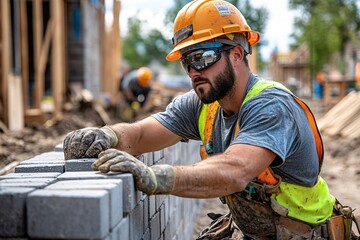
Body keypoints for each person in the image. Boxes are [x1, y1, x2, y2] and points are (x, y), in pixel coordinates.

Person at [63, 0, 359, 239]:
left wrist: (154, 177)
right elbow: (142, 134)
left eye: (202, 57)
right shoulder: (205, 103)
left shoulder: (271, 105)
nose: (193, 71)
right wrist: (108, 135)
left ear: (237, 54)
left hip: (307, 233)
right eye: (186, 61)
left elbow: (236, 170)